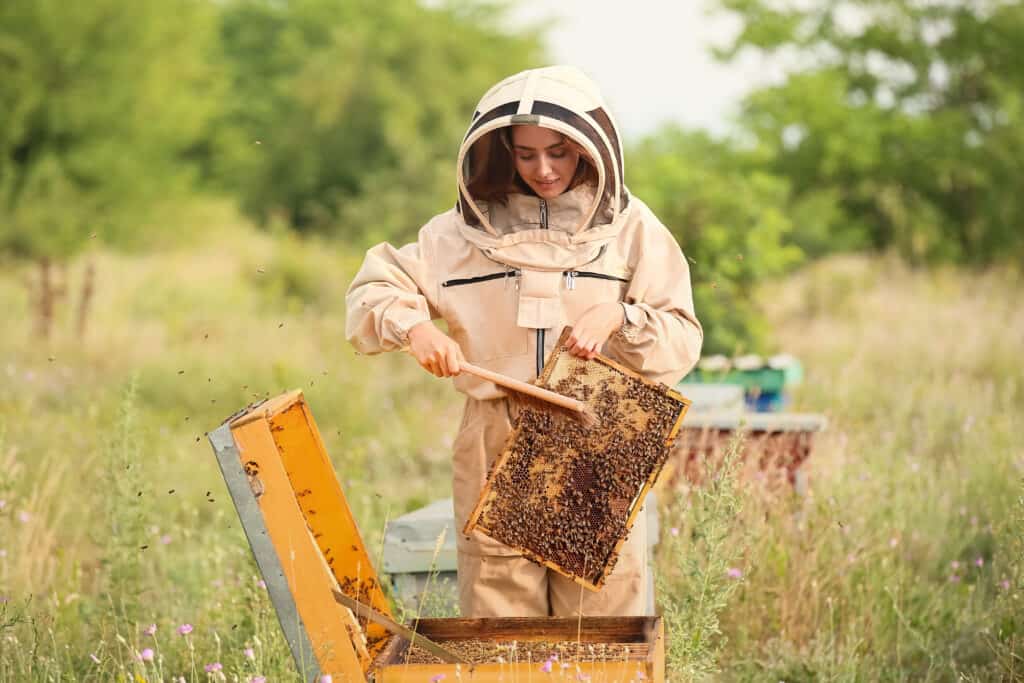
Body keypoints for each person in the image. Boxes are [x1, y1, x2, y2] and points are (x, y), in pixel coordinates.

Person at [346, 65, 702, 617]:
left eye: (558, 152)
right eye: (526, 153)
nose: (543, 169)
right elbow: (375, 288)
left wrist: (619, 316)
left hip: (598, 431)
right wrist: (415, 329)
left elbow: (682, 335)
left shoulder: (633, 230)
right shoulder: (453, 235)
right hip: (494, 436)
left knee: (602, 623)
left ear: (589, 148)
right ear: (500, 150)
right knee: (500, 625)